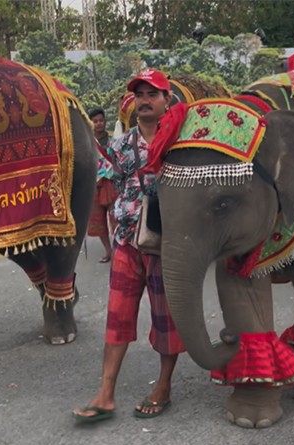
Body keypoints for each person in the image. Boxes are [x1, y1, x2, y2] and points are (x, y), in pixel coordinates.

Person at [72, 69, 186, 423]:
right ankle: (106, 394)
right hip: (126, 242)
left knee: (166, 319)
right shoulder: (121, 146)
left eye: (153, 94)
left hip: (166, 245)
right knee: (118, 316)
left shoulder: (183, 144)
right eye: (139, 95)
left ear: (167, 100)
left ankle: (163, 386)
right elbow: (114, 183)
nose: (145, 101)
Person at [88, 108, 117, 263]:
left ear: (105, 121)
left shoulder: (115, 140)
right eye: (95, 121)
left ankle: (120, 250)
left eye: (100, 120)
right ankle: (109, 251)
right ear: (91, 123)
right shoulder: (88, 142)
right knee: (98, 222)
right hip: (94, 186)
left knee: (116, 218)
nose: (98, 124)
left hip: (112, 184)